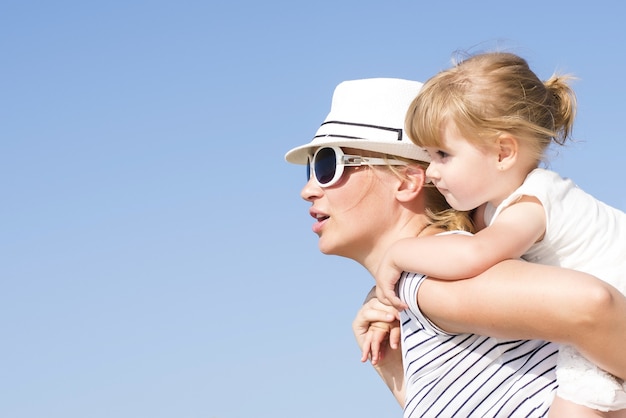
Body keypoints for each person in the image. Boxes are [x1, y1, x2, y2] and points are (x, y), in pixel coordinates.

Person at [285, 77, 626, 417]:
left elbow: (592, 306)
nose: (309, 190)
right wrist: (395, 371)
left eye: (328, 165)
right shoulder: (418, 291)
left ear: (406, 180)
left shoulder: (427, 280)